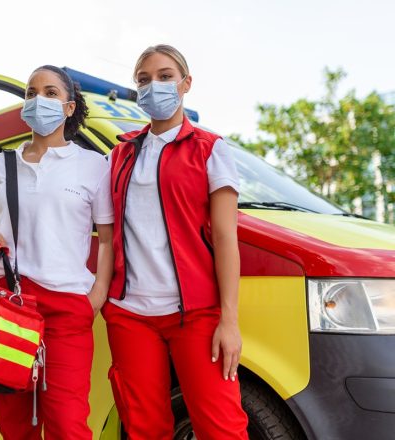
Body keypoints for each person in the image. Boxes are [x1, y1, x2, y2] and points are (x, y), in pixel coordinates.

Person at [103, 44, 249, 439]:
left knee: (222, 428)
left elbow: (225, 237)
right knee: (144, 429)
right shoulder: (120, 154)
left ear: (186, 84)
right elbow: (102, 228)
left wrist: (229, 320)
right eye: (144, 80)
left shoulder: (210, 149)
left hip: (197, 313)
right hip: (129, 314)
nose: (155, 86)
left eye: (165, 77)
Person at [0, 65, 113, 440]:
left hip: (68, 307)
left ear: (69, 108)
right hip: (8, 303)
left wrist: (95, 298)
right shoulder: (1, 164)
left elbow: (108, 238)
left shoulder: (94, 165)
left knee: (68, 425)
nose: (39, 100)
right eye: (31, 93)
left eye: (50, 93)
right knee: (14, 424)